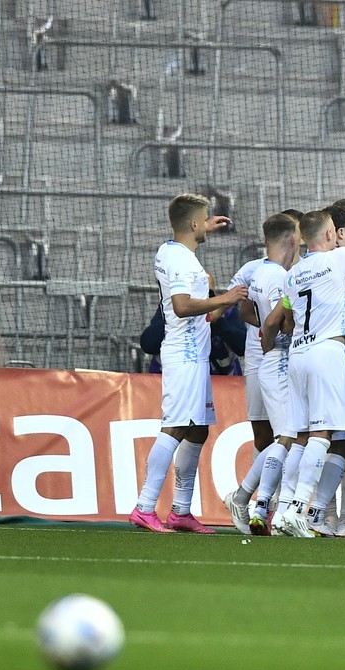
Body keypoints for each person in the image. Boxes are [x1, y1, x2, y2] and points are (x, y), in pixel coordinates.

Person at [271, 210, 345, 538]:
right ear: (328, 235)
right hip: (327, 352)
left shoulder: (292, 274)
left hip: (297, 354)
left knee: (300, 435)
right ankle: (299, 509)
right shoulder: (338, 259)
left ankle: (283, 511)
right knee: (322, 435)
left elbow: (287, 318)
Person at [129, 194, 247, 533]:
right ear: (194, 224)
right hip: (183, 354)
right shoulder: (182, 261)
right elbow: (181, 306)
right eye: (205, 218)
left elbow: (203, 313)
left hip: (195, 352)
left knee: (197, 429)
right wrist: (225, 297)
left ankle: (181, 510)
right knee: (177, 426)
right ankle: (145, 506)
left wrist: (221, 302)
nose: (209, 223)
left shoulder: (172, 251)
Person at [235, 213, 301, 535]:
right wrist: (278, 339)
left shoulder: (260, 272)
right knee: (286, 438)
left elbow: (246, 311)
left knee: (285, 438)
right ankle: (250, 498)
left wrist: (264, 334)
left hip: (268, 360)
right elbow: (280, 320)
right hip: (277, 360)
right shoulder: (279, 278)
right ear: (291, 239)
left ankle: (261, 505)